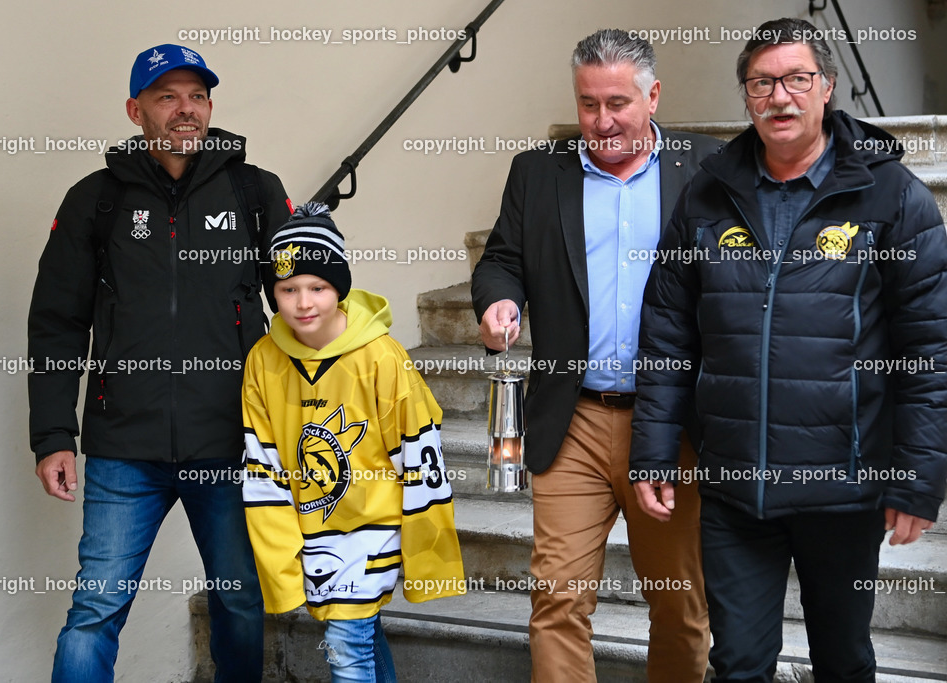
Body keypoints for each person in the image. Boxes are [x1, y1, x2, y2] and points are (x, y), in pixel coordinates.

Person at [630, 17, 947, 682]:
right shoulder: (706, 196)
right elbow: (667, 329)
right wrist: (654, 447)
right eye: (762, 83)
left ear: (827, 86)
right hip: (733, 488)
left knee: (844, 657)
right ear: (746, 95)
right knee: (738, 662)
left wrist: (917, 479)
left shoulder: (892, 198)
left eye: (797, 79)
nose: (781, 97)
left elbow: (930, 349)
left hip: (844, 489)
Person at [28, 43, 292, 682]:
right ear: (135, 110)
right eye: (167, 96)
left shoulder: (255, 191)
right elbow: (57, 323)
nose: (185, 110)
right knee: (95, 611)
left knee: (238, 602)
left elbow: (302, 306)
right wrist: (54, 435)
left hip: (229, 441)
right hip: (124, 448)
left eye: (197, 96)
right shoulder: (95, 200)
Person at [471, 28, 719, 683]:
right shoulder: (537, 171)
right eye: (587, 104)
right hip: (572, 417)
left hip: (670, 428)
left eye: (617, 103)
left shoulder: (710, 169)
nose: (601, 121)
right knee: (557, 598)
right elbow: (501, 258)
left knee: (679, 603)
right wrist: (499, 300)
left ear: (653, 96)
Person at [241, 202, 466, 682]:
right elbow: (264, 469)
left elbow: (421, 458)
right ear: (272, 292)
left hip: (374, 526)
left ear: (338, 289)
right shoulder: (262, 360)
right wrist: (281, 567)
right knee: (360, 636)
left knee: (345, 646)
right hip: (312, 530)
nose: (304, 303)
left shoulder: (383, 357)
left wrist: (427, 555)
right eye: (288, 289)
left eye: (318, 287)